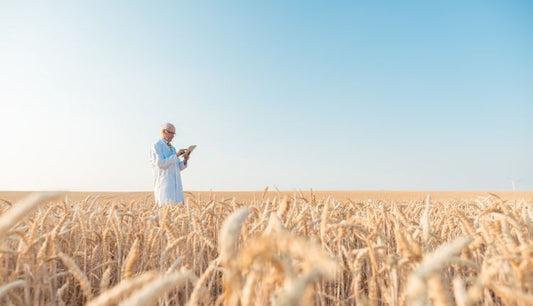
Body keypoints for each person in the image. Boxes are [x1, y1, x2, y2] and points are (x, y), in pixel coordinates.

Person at [151, 123, 190, 206]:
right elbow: (160, 164)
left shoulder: (172, 147)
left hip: (176, 187)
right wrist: (176, 155)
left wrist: (185, 160)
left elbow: (177, 167)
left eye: (174, 133)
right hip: (165, 186)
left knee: (178, 212)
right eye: (171, 133)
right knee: (166, 210)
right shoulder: (157, 145)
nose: (173, 136)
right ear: (164, 132)